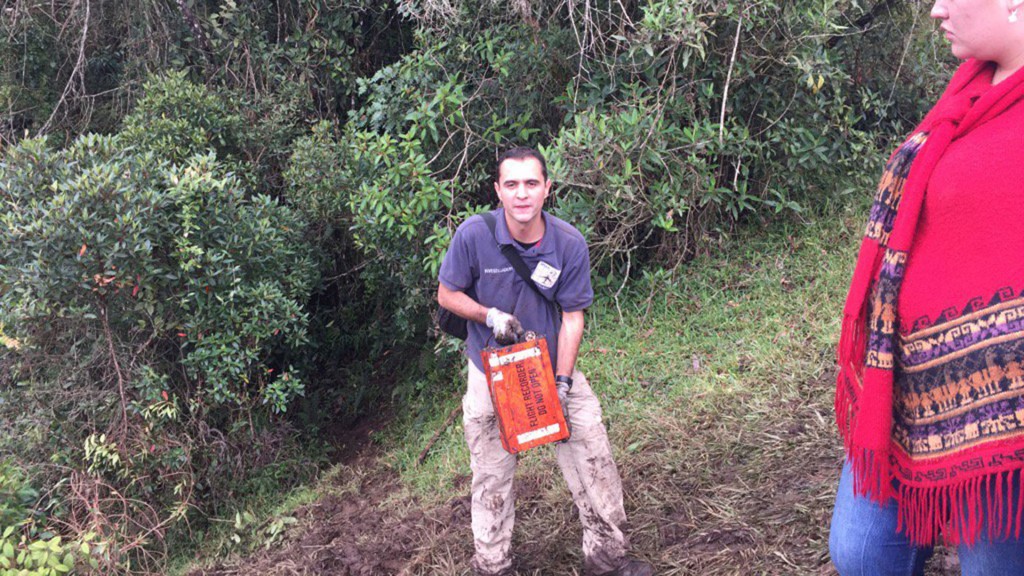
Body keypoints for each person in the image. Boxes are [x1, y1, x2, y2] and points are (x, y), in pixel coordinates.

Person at [829, 1, 1024, 574]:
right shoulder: (969, 91)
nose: (937, 9)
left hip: (1000, 412)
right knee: (863, 553)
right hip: (906, 385)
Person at [437, 147, 654, 576]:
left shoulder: (567, 243)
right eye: (512, 184)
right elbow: (447, 294)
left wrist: (564, 382)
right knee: (491, 476)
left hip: (550, 365)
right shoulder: (473, 235)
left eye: (532, 183)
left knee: (593, 453)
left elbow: (573, 318)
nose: (522, 194)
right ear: (498, 190)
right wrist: (488, 314)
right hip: (490, 372)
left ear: (547, 189)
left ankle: (607, 560)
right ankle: (493, 566)